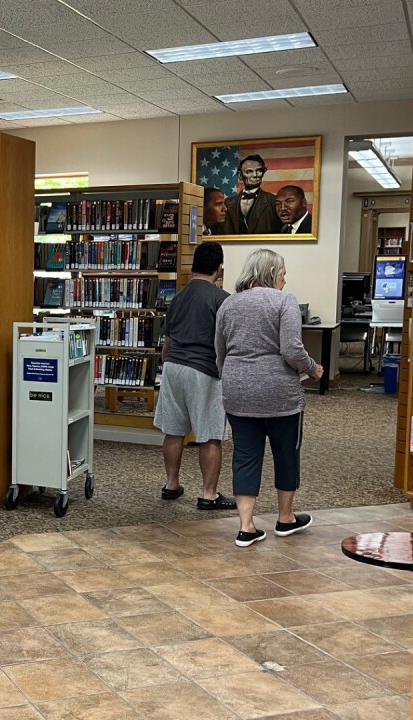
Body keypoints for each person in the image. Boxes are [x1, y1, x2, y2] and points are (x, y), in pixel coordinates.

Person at [215, 249, 320, 546]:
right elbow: (291, 349)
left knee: (245, 455)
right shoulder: (284, 300)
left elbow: (220, 352)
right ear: (272, 272)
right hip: (279, 393)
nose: (285, 280)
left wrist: (233, 378)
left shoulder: (228, 303)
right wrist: (312, 369)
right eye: (283, 273)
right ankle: (285, 519)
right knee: (286, 453)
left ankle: (246, 526)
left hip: (237, 391)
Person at [154, 242, 236, 510]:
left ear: (193, 265)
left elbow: (166, 343)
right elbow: (228, 343)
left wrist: (169, 365)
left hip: (172, 367)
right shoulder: (221, 299)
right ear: (219, 268)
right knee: (210, 435)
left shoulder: (177, 297)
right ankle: (209, 494)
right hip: (204, 370)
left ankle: (171, 484)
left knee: (174, 431)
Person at [224, 155, 282, 235]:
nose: (255, 175)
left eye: (259, 170)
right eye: (249, 171)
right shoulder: (227, 203)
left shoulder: (272, 201)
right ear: (240, 175)